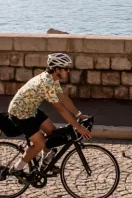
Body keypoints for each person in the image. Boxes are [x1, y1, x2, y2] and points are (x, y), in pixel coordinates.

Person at [7, 53, 92, 182]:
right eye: (65, 68)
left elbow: (63, 96)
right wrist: (78, 127)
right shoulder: (46, 82)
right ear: (56, 69)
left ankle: (45, 164)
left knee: (52, 133)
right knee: (40, 143)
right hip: (20, 113)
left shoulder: (53, 79)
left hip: (31, 110)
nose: (68, 71)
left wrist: (78, 114)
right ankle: (17, 168)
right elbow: (61, 109)